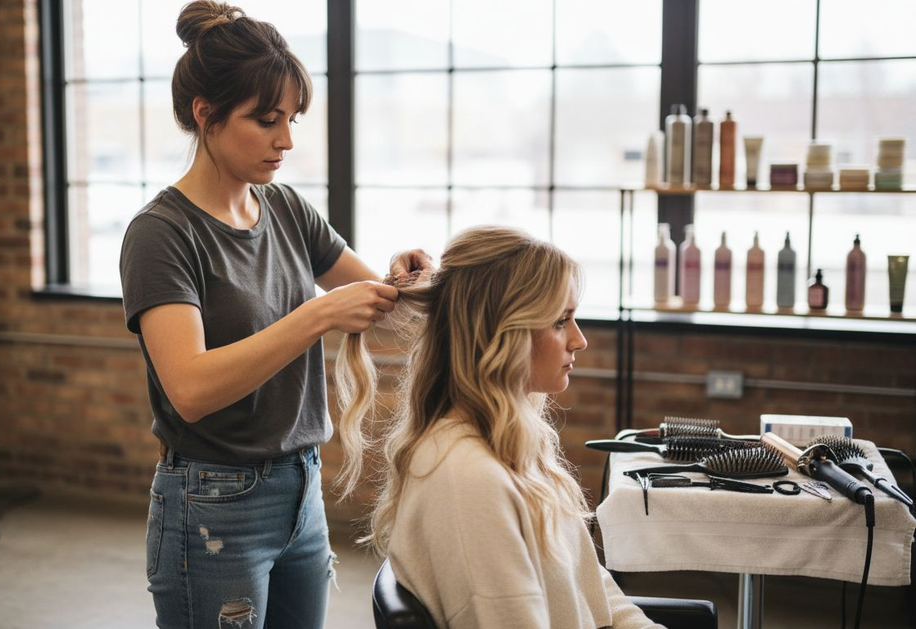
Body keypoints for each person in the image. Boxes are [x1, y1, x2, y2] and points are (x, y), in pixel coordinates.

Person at [118, 2, 431, 627]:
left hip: (300, 491)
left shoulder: (286, 209)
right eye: (265, 121)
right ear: (205, 115)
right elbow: (191, 389)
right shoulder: (162, 235)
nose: (285, 140)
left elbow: (385, 308)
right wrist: (317, 316)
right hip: (213, 503)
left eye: (289, 119)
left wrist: (413, 281)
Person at [336, 226, 663, 628]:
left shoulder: (512, 444)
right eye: (561, 322)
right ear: (502, 335)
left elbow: (591, 587)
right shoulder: (468, 479)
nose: (579, 341)